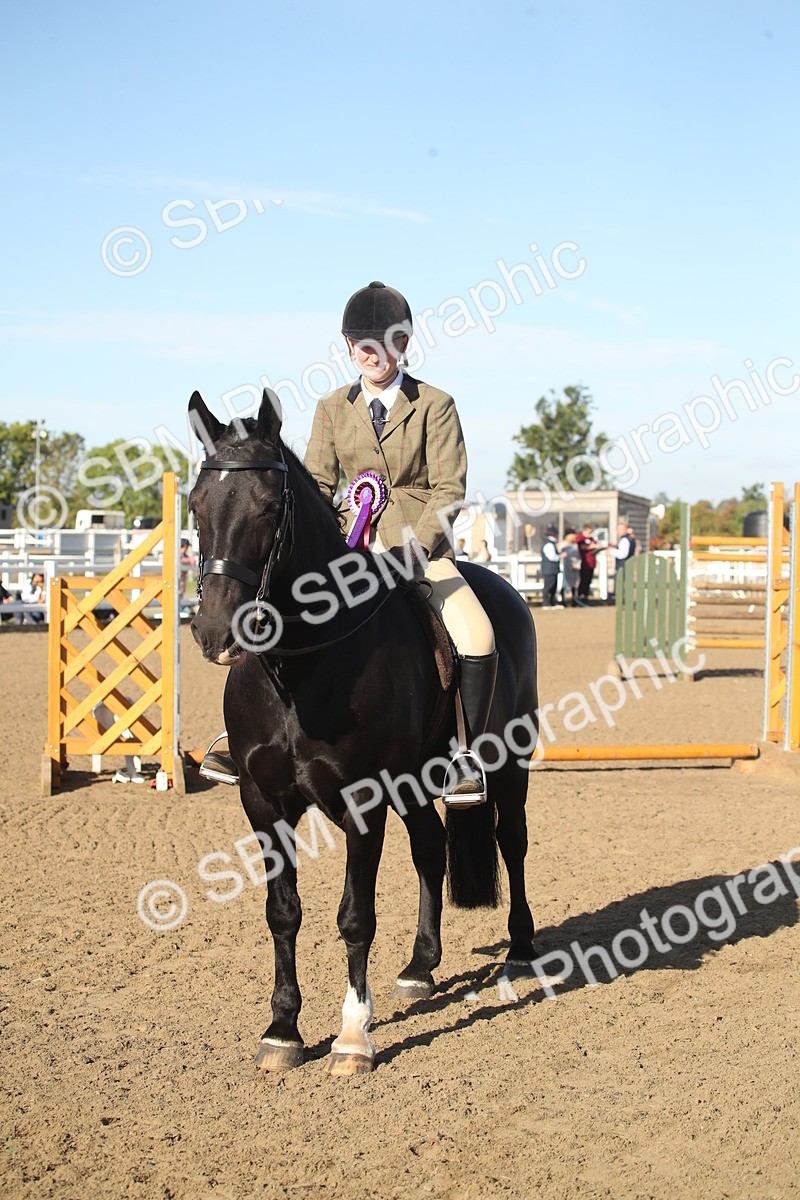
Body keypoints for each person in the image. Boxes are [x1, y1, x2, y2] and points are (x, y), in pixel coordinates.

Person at [201, 281, 497, 806]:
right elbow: (315, 485)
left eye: (384, 343)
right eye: (361, 344)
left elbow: (450, 488)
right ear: (348, 348)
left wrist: (416, 546)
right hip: (348, 549)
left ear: (402, 345)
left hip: (419, 551)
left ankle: (463, 753)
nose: (372, 353)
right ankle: (246, 734)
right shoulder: (332, 407)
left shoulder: (435, 404)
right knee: (269, 608)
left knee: (476, 635)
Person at [575, 523, 602, 602]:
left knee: (588, 581)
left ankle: (585, 596)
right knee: (583, 580)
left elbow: (597, 545)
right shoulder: (580, 538)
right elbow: (582, 547)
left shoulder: (591, 538)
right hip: (584, 563)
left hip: (591, 563)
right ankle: (580, 596)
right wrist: (592, 546)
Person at [611, 521, 636, 598]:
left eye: (619, 529)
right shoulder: (629, 539)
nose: (617, 531)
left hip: (623, 565)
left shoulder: (625, 540)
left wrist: (611, 551)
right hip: (627, 564)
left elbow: (623, 554)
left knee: (621, 582)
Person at [540, 526, 561, 608]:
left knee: (553, 586)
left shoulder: (550, 543)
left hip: (551, 569)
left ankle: (552, 601)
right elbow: (552, 557)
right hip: (549, 569)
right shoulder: (549, 544)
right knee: (548, 586)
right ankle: (546, 602)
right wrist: (560, 556)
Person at [560, 532, 583, 607]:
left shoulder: (575, 546)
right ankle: (563, 600)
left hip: (574, 566)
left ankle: (574, 599)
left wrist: (577, 564)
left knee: (574, 584)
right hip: (566, 566)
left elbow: (578, 556)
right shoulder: (564, 545)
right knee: (565, 583)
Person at [179, 537, 197, 602]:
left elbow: (193, 562)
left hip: (182, 583)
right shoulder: (178, 555)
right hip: (177, 583)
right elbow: (181, 561)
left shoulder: (184, 555)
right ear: (185, 546)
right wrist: (190, 560)